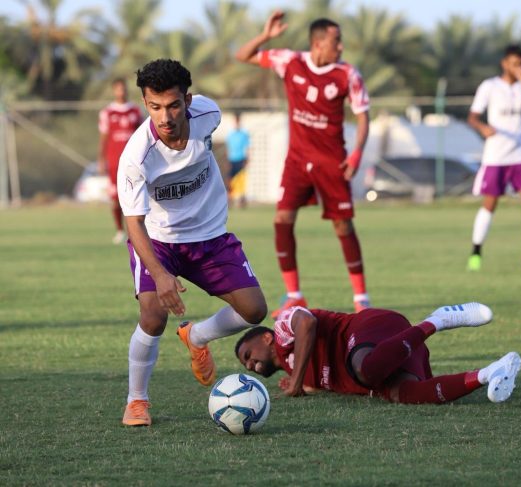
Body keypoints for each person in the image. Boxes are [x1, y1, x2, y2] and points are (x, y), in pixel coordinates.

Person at [117, 59, 268, 426]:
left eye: (172, 105)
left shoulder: (209, 113)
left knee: (254, 310)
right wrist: (160, 274)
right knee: (153, 317)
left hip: (210, 236)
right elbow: (133, 223)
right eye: (154, 107)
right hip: (160, 241)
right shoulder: (136, 156)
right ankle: (137, 401)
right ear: (145, 103)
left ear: (187, 100)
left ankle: (197, 336)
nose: (164, 117)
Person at [236, 11, 371, 316]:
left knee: (343, 225)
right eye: (337, 41)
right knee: (282, 219)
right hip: (297, 160)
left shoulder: (348, 74)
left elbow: (363, 117)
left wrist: (356, 154)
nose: (341, 47)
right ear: (318, 43)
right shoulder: (290, 61)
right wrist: (266, 36)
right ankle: (294, 295)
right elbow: (243, 55)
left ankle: (361, 298)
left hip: (332, 162)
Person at [235, 302, 521, 404]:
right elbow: (324, 375)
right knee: (404, 395)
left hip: (371, 329)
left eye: (247, 354)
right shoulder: (294, 370)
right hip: (392, 353)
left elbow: (307, 323)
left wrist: (297, 383)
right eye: (245, 364)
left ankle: (437, 320)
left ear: (265, 338)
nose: (249, 364)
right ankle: (490, 373)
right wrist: (303, 384)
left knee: (366, 369)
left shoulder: (282, 329)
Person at [467, 44, 521, 272]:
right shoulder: (490, 86)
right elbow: (472, 117)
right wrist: (483, 128)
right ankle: (476, 252)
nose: (518, 68)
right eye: (514, 64)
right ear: (504, 64)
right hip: (496, 156)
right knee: (490, 203)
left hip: (520, 155)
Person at [98, 78, 144, 244]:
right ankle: (119, 230)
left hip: (134, 160)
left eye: (123, 88)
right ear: (114, 91)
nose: (121, 92)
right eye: (118, 89)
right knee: (116, 197)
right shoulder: (107, 112)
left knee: (137, 196)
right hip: (114, 161)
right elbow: (104, 137)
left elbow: (143, 134)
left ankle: (138, 231)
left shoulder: (135, 111)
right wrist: (101, 159)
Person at [225, 112, 250, 208]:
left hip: (241, 159)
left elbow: (247, 147)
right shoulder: (230, 135)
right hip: (232, 159)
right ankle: (230, 199)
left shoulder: (244, 134)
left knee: (241, 179)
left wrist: (247, 158)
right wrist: (227, 160)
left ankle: (241, 199)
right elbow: (228, 148)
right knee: (230, 180)